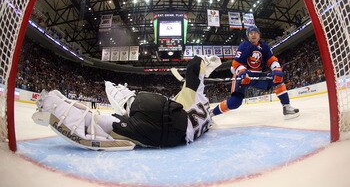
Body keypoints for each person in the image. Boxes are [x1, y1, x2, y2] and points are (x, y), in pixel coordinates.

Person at [32, 55, 222, 150]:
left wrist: (204, 62)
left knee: (133, 104)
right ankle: (50, 104)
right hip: (168, 137)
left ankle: (128, 101)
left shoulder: (198, 97)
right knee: (108, 125)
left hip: (160, 106)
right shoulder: (206, 121)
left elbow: (193, 69)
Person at [210, 26, 299, 119]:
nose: (253, 35)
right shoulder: (244, 45)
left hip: (258, 75)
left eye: (255, 32)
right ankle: (211, 113)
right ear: (248, 36)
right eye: (251, 33)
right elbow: (236, 63)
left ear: (259, 35)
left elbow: (271, 59)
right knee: (235, 102)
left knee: (277, 79)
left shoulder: (264, 46)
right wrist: (242, 72)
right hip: (244, 75)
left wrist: (276, 68)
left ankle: (286, 107)